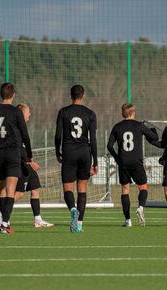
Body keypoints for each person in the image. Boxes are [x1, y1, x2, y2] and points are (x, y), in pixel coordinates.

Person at [0, 103, 53, 228]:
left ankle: (38, 219)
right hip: (19, 164)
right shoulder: (15, 129)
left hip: (26, 164)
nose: (29, 114)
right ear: (20, 113)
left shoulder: (21, 127)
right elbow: (17, 149)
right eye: (27, 112)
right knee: (18, 193)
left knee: (35, 188)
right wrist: (29, 161)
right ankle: (0, 213)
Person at [0, 82, 32, 234]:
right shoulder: (16, 112)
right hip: (12, 153)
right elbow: (25, 134)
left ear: (0, 94)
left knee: (2, 188)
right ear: (13, 95)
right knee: (11, 189)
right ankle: (5, 223)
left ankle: (3, 221)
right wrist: (29, 154)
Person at [54, 84, 98, 233]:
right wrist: (96, 161)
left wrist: (57, 151)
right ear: (83, 95)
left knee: (68, 187)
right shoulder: (90, 113)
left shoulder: (63, 112)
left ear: (70, 95)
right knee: (82, 189)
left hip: (69, 152)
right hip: (85, 153)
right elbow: (94, 139)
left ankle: (73, 209)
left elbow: (58, 135)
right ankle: (79, 225)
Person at [107, 103, 158, 227]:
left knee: (125, 189)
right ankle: (140, 207)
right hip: (136, 161)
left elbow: (109, 146)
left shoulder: (117, 127)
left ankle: (128, 220)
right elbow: (154, 138)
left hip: (123, 162)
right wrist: (152, 129)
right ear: (133, 113)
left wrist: (117, 158)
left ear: (122, 113)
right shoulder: (139, 125)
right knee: (143, 186)